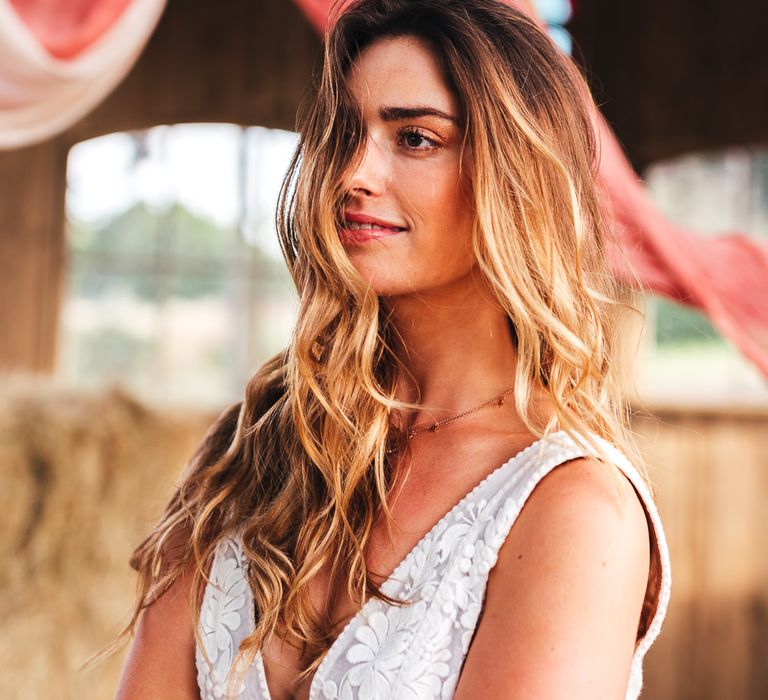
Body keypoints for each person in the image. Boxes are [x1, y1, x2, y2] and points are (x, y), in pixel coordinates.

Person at [112, 0, 671, 698]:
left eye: (415, 138)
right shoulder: (246, 453)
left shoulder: (574, 512)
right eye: (344, 133)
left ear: (517, 176)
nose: (351, 175)